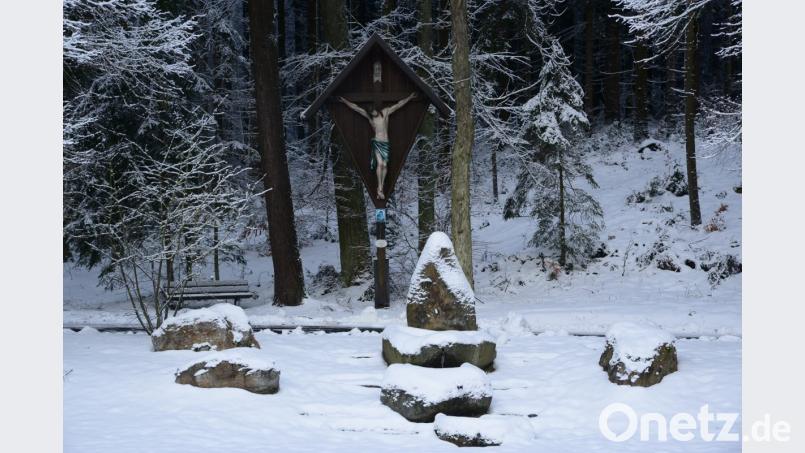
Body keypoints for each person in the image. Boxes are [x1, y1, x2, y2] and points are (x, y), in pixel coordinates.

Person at [338, 92, 417, 200]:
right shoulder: (370, 118)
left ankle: (381, 187)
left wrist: (409, 97)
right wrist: (345, 101)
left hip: (386, 143)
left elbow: (399, 105)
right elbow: (356, 108)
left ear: (376, 110)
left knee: (384, 165)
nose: (373, 113)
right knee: (380, 164)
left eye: (374, 111)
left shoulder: (385, 113)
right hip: (377, 142)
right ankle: (379, 188)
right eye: (371, 113)